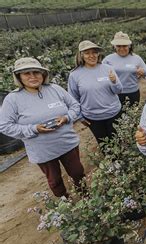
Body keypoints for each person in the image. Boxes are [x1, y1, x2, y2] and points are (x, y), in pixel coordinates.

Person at [0, 57, 85, 197]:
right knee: (55, 180)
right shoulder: (13, 99)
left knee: (77, 172)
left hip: (67, 143)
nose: (32, 76)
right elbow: (4, 126)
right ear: (19, 77)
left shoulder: (55, 89)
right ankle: (65, 201)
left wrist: (67, 117)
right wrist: (33, 129)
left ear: (43, 74)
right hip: (43, 151)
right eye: (27, 73)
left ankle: (85, 195)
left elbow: (75, 106)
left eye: (36, 72)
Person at [68, 40, 123, 145]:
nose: (91, 56)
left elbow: (119, 90)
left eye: (94, 52)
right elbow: (73, 98)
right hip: (93, 118)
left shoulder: (108, 69)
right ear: (81, 55)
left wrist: (114, 81)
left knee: (117, 141)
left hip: (113, 113)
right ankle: (112, 161)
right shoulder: (74, 75)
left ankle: (120, 160)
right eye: (87, 53)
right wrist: (79, 116)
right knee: (104, 143)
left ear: (98, 54)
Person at [103, 31, 146, 106]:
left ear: (129, 46)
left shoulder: (136, 58)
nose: (121, 49)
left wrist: (143, 72)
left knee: (132, 114)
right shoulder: (108, 59)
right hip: (115, 94)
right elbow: (101, 75)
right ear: (114, 46)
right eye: (118, 46)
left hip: (133, 93)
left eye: (124, 46)